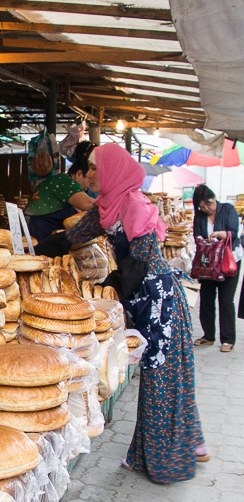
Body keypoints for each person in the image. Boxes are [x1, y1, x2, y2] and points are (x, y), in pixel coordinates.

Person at [66, 143, 207, 484]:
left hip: (158, 301)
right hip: (141, 295)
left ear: (111, 171)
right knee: (164, 374)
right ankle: (184, 445)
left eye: (95, 168)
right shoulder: (107, 205)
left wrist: (109, 291)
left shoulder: (133, 204)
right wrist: (31, 251)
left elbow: (139, 264)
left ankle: (166, 463)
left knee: (161, 375)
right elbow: (74, 237)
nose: (90, 174)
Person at [191, 184, 242, 352]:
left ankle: (228, 339)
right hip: (207, 263)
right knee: (206, 299)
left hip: (228, 261)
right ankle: (208, 336)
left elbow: (234, 232)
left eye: (208, 205)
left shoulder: (227, 209)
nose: (206, 209)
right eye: (202, 206)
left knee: (226, 300)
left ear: (213, 199)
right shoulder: (199, 216)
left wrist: (222, 234)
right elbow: (196, 234)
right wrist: (202, 239)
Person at [25, 141, 96, 242]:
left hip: (39, 235)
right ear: (79, 174)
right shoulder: (65, 182)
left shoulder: (63, 181)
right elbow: (89, 204)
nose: (89, 184)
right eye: (88, 178)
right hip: (32, 233)